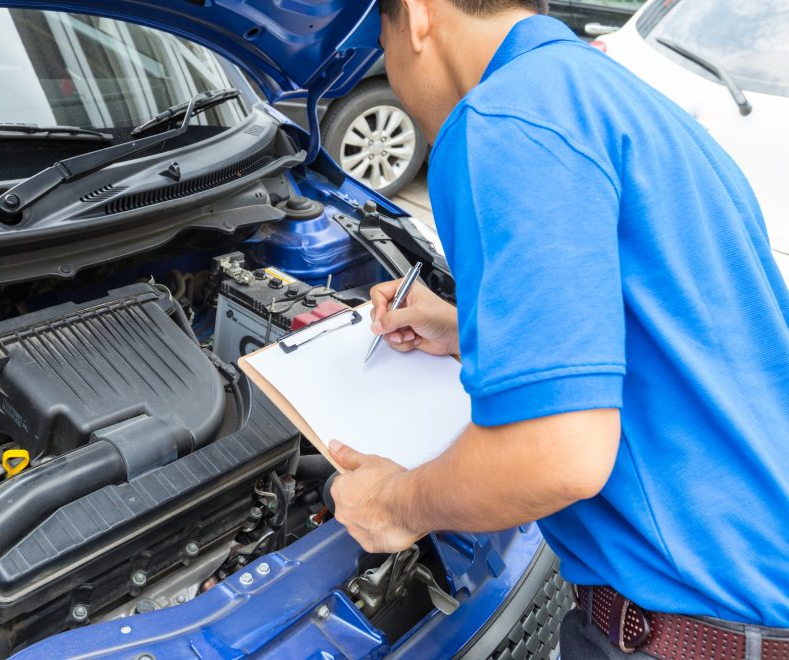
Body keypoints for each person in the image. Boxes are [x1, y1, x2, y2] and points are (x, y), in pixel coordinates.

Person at [327, 1, 789, 658]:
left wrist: (395, 504)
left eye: (381, 40)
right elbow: (679, 329)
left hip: (686, 627)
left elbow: (556, 453)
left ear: (420, 15)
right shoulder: (612, 96)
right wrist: (462, 328)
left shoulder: (504, 118)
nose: (391, 75)